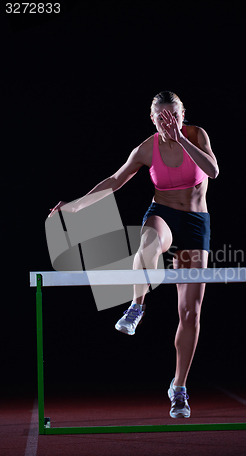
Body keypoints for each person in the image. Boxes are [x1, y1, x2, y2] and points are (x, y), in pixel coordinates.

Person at [49, 91, 219, 418]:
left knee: (190, 313)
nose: (169, 124)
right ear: (152, 120)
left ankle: (179, 387)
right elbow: (114, 181)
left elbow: (212, 170)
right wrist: (73, 207)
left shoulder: (197, 136)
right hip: (163, 213)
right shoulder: (146, 149)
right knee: (149, 244)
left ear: (183, 117)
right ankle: (136, 306)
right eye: (161, 119)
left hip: (197, 223)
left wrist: (182, 140)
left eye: (175, 117)